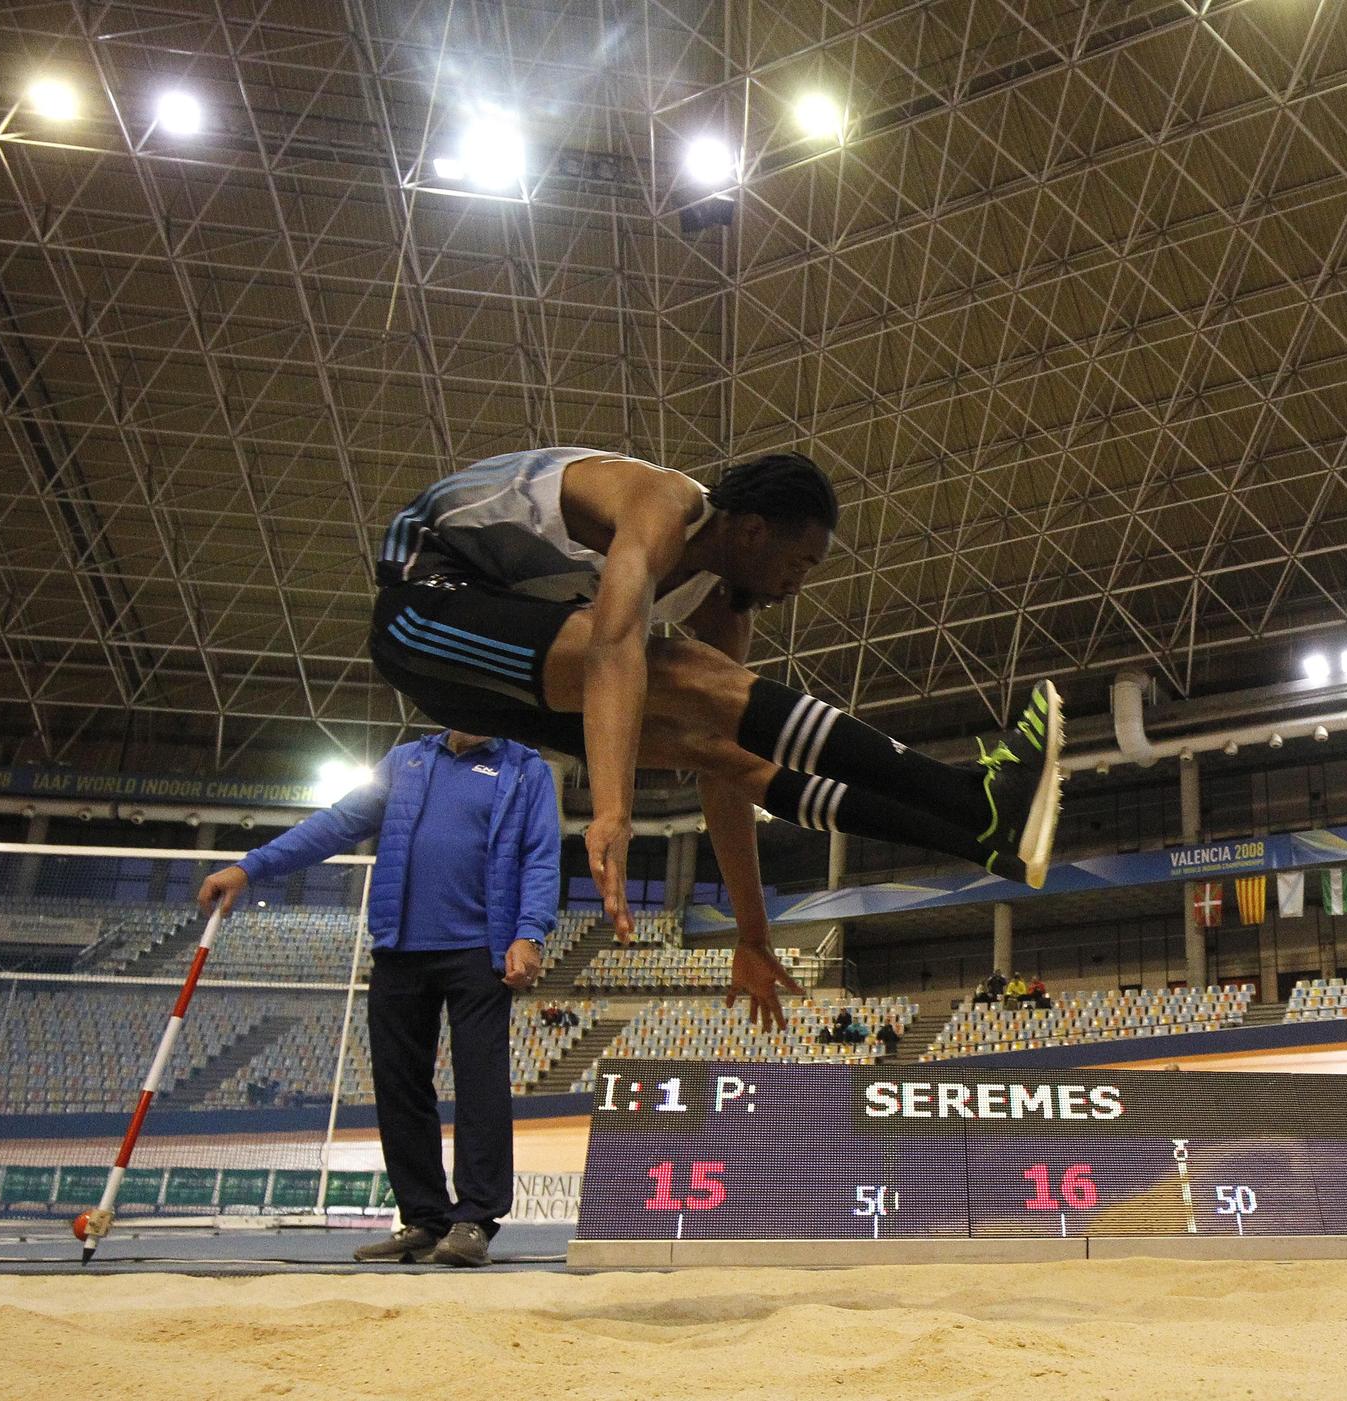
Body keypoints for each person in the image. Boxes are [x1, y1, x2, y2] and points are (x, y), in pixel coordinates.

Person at [367, 448, 1066, 1031]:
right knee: (680, 670)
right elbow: (612, 649)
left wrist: (754, 934)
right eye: (800, 563)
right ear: (754, 531)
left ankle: (978, 836)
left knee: (719, 742)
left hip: (491, 660)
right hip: (421, 599)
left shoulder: (721, 605)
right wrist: (614, 807)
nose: (798, 585)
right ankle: (973, 798)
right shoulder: (661, 504)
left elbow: (728, 779)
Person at [197, 730, 558, 1270]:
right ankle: (425, 1218)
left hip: (481, 949)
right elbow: (336, 824)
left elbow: (540, 855)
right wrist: (251, 867)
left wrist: (529, 933)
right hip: (399, 946)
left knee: (481, 1083)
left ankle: (475, 1221)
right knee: (397, 1085)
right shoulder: (406, 761)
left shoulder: (525, 766)